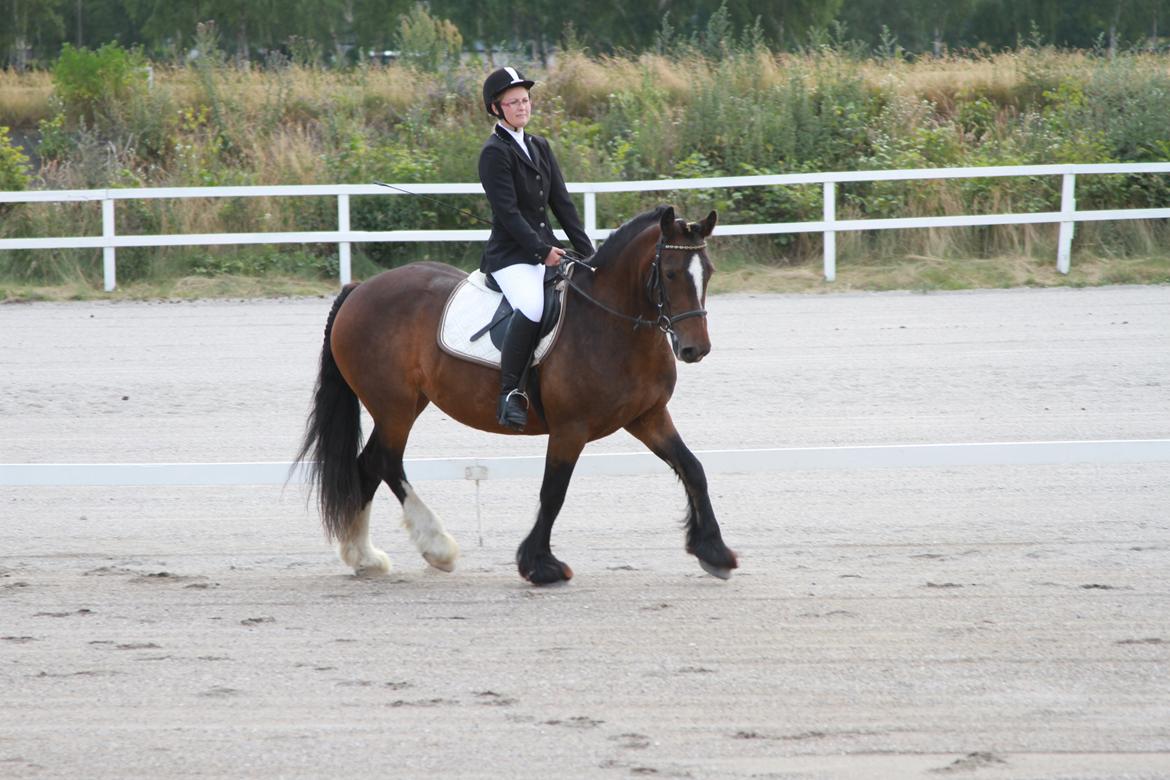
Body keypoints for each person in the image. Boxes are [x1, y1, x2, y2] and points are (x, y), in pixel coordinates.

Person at [478, 66, 594, 431]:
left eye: (525, 100)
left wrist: (589, 252)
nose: (521, 107)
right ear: (497, 109)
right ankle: (510, 392)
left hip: (546, 248)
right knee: (531, 306)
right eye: (512, 102)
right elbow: (509, 214)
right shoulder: (494, 153)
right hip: (511, 256)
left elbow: (562, 203)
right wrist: (541, 251)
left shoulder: (539, 145)